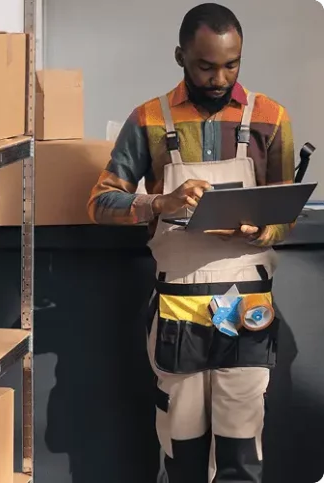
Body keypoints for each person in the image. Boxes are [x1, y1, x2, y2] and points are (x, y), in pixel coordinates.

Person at [87, 3, 294, 482]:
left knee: (243, 453)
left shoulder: (270, 118)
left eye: (231, 63)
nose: (220, 77)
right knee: (182, 454)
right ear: (180, 56)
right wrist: (158, 204)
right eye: (205, 65)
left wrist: (265, 229)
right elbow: (99, 203)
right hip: (178, 311)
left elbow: (285, 215)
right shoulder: (149, 121)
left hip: (247, 309)